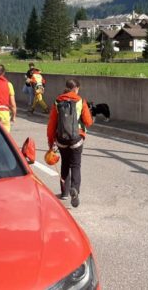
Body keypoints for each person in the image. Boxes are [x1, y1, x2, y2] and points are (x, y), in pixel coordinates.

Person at [46, 79, 93, 208]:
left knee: (65, 164)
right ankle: (75, 190)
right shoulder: (80, 101)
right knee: (76, 165)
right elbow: (88, 122)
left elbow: (51, 124)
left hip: (61, 140)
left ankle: (65, 193)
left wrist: (51, 142)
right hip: (76, 139)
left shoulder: (58, 101)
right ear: (76, 88)